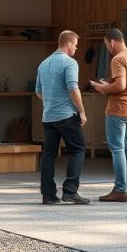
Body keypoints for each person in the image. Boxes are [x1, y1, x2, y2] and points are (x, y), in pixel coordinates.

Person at [90, 28, 127, 202]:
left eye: (107, 45)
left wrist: (103, 87)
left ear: (112, 42)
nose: (108, 48)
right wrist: (116, 85)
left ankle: (120, 190)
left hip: (118, 110)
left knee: (117, 149)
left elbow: (121, 85)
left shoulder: (118, 58)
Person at [35, 30, 89, 204]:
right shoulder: (70, 63)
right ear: (68, 44)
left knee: (48, 155)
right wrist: (81, 110)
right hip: (66, 115)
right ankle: (70, 191)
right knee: (78, 149)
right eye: (75, 45)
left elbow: (38, 92)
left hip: (48, 116)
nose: (76, 48)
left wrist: (52, 100)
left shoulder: (43, 64)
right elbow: (73, 87)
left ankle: (48, 195)